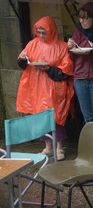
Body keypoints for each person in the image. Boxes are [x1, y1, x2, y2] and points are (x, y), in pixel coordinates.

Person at [16, 16, 74, 161]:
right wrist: (22, 59)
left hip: (54, 88)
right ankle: (48, 147)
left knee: (56, 118)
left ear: (51, 31)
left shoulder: (61, 46)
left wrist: (48, 69)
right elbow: (22, 63)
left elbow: (65, 71)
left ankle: (59, 147)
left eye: (44, 32)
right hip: (37, 87)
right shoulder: (32, 44)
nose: (41, 35)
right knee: (40, 117)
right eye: (39, 32)